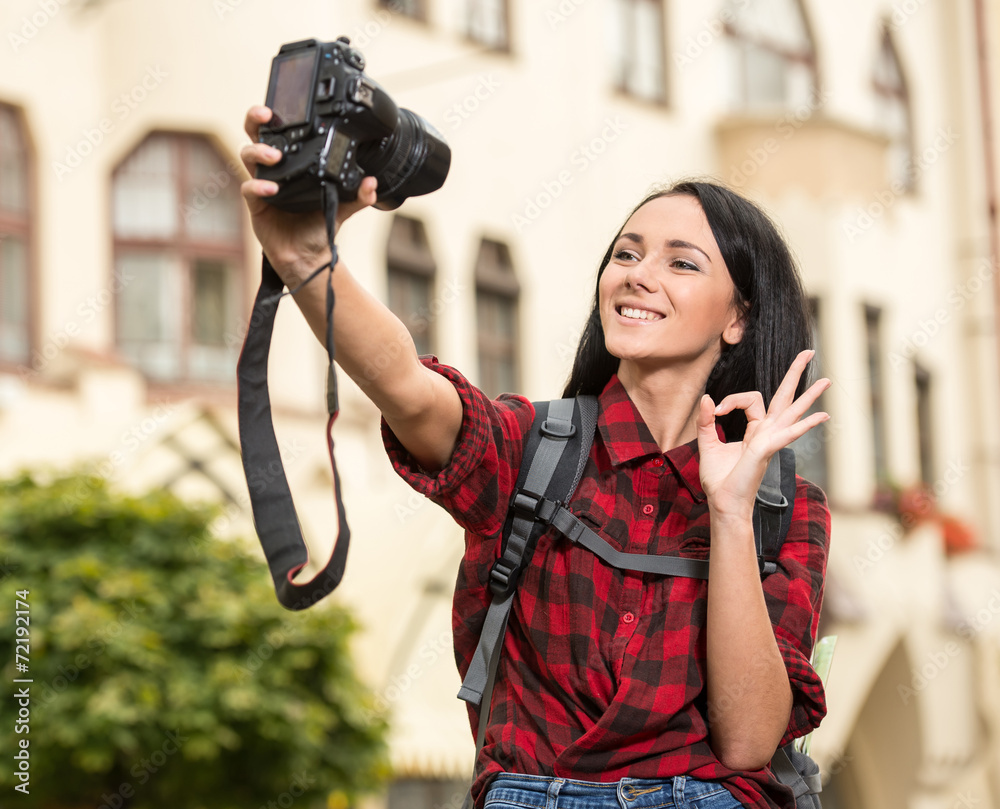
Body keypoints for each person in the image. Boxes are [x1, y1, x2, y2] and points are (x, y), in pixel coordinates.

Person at [240, 105, 831, 809]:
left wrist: (730, 513)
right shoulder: (530, 448)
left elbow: (749, 742)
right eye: (627, 253)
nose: (639, 275)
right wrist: (306, 259)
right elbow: (407, 387)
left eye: (681, 262)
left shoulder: (783, 505)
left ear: (738, 315)